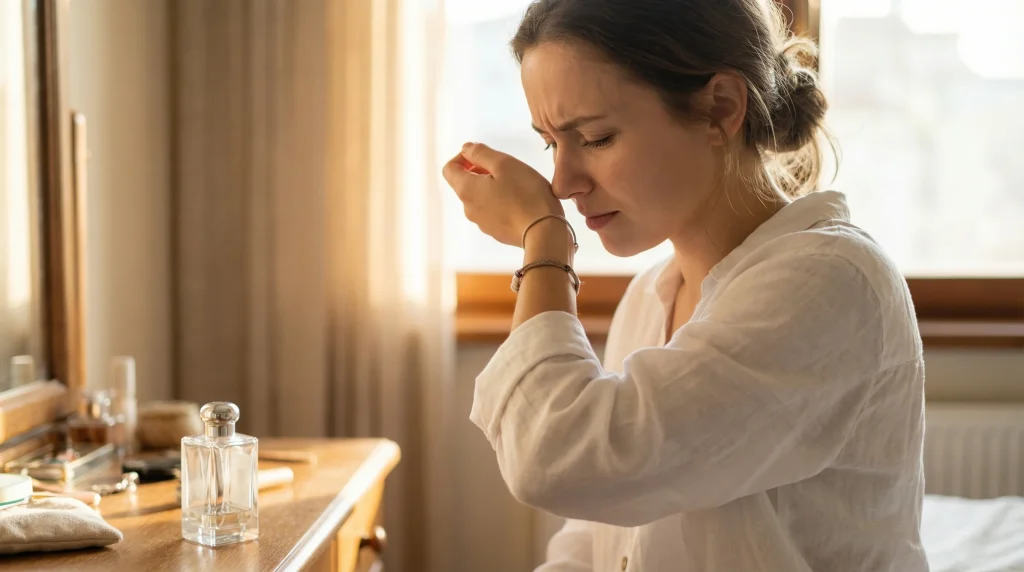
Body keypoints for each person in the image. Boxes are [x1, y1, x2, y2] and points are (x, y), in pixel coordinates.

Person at [441, 0, 928, 570]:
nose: (563, 183)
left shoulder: (830, 284)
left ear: (720, 109)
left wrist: (543, 241)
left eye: (595, 138)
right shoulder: (651, 295)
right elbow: (597, 532)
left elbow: (558, 457)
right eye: (552, 144)